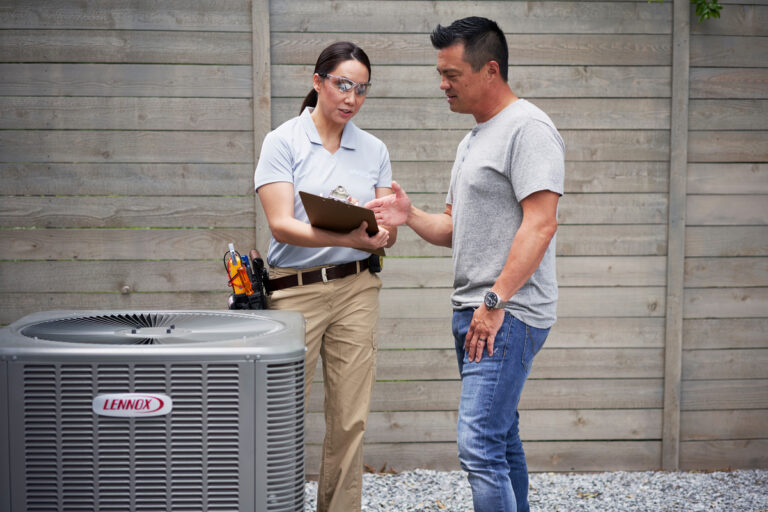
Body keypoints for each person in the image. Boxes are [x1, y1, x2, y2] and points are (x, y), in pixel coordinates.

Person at [365, 17, 564, 512]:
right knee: (500, 440)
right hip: (475, 312)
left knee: (478, 445)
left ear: (489, 70)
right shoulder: (473, 140)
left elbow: (541, 224)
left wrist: (495, 301)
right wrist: (409, 216)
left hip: (505, 314)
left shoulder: (529, 129)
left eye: (451, 74)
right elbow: (453, 228)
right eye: (441, 73)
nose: (442, 84)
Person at [253, 41, 396, 512]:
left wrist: (381, 235)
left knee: (350, 418)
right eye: (342, 84)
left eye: (361, 89)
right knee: (280, 416)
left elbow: (383, 228)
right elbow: (281, 224)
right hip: (295, 292)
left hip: (358, 287)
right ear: (318, 82)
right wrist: (351, 237)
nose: (351, 97)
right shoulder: (283, 140)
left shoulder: (373, 148)